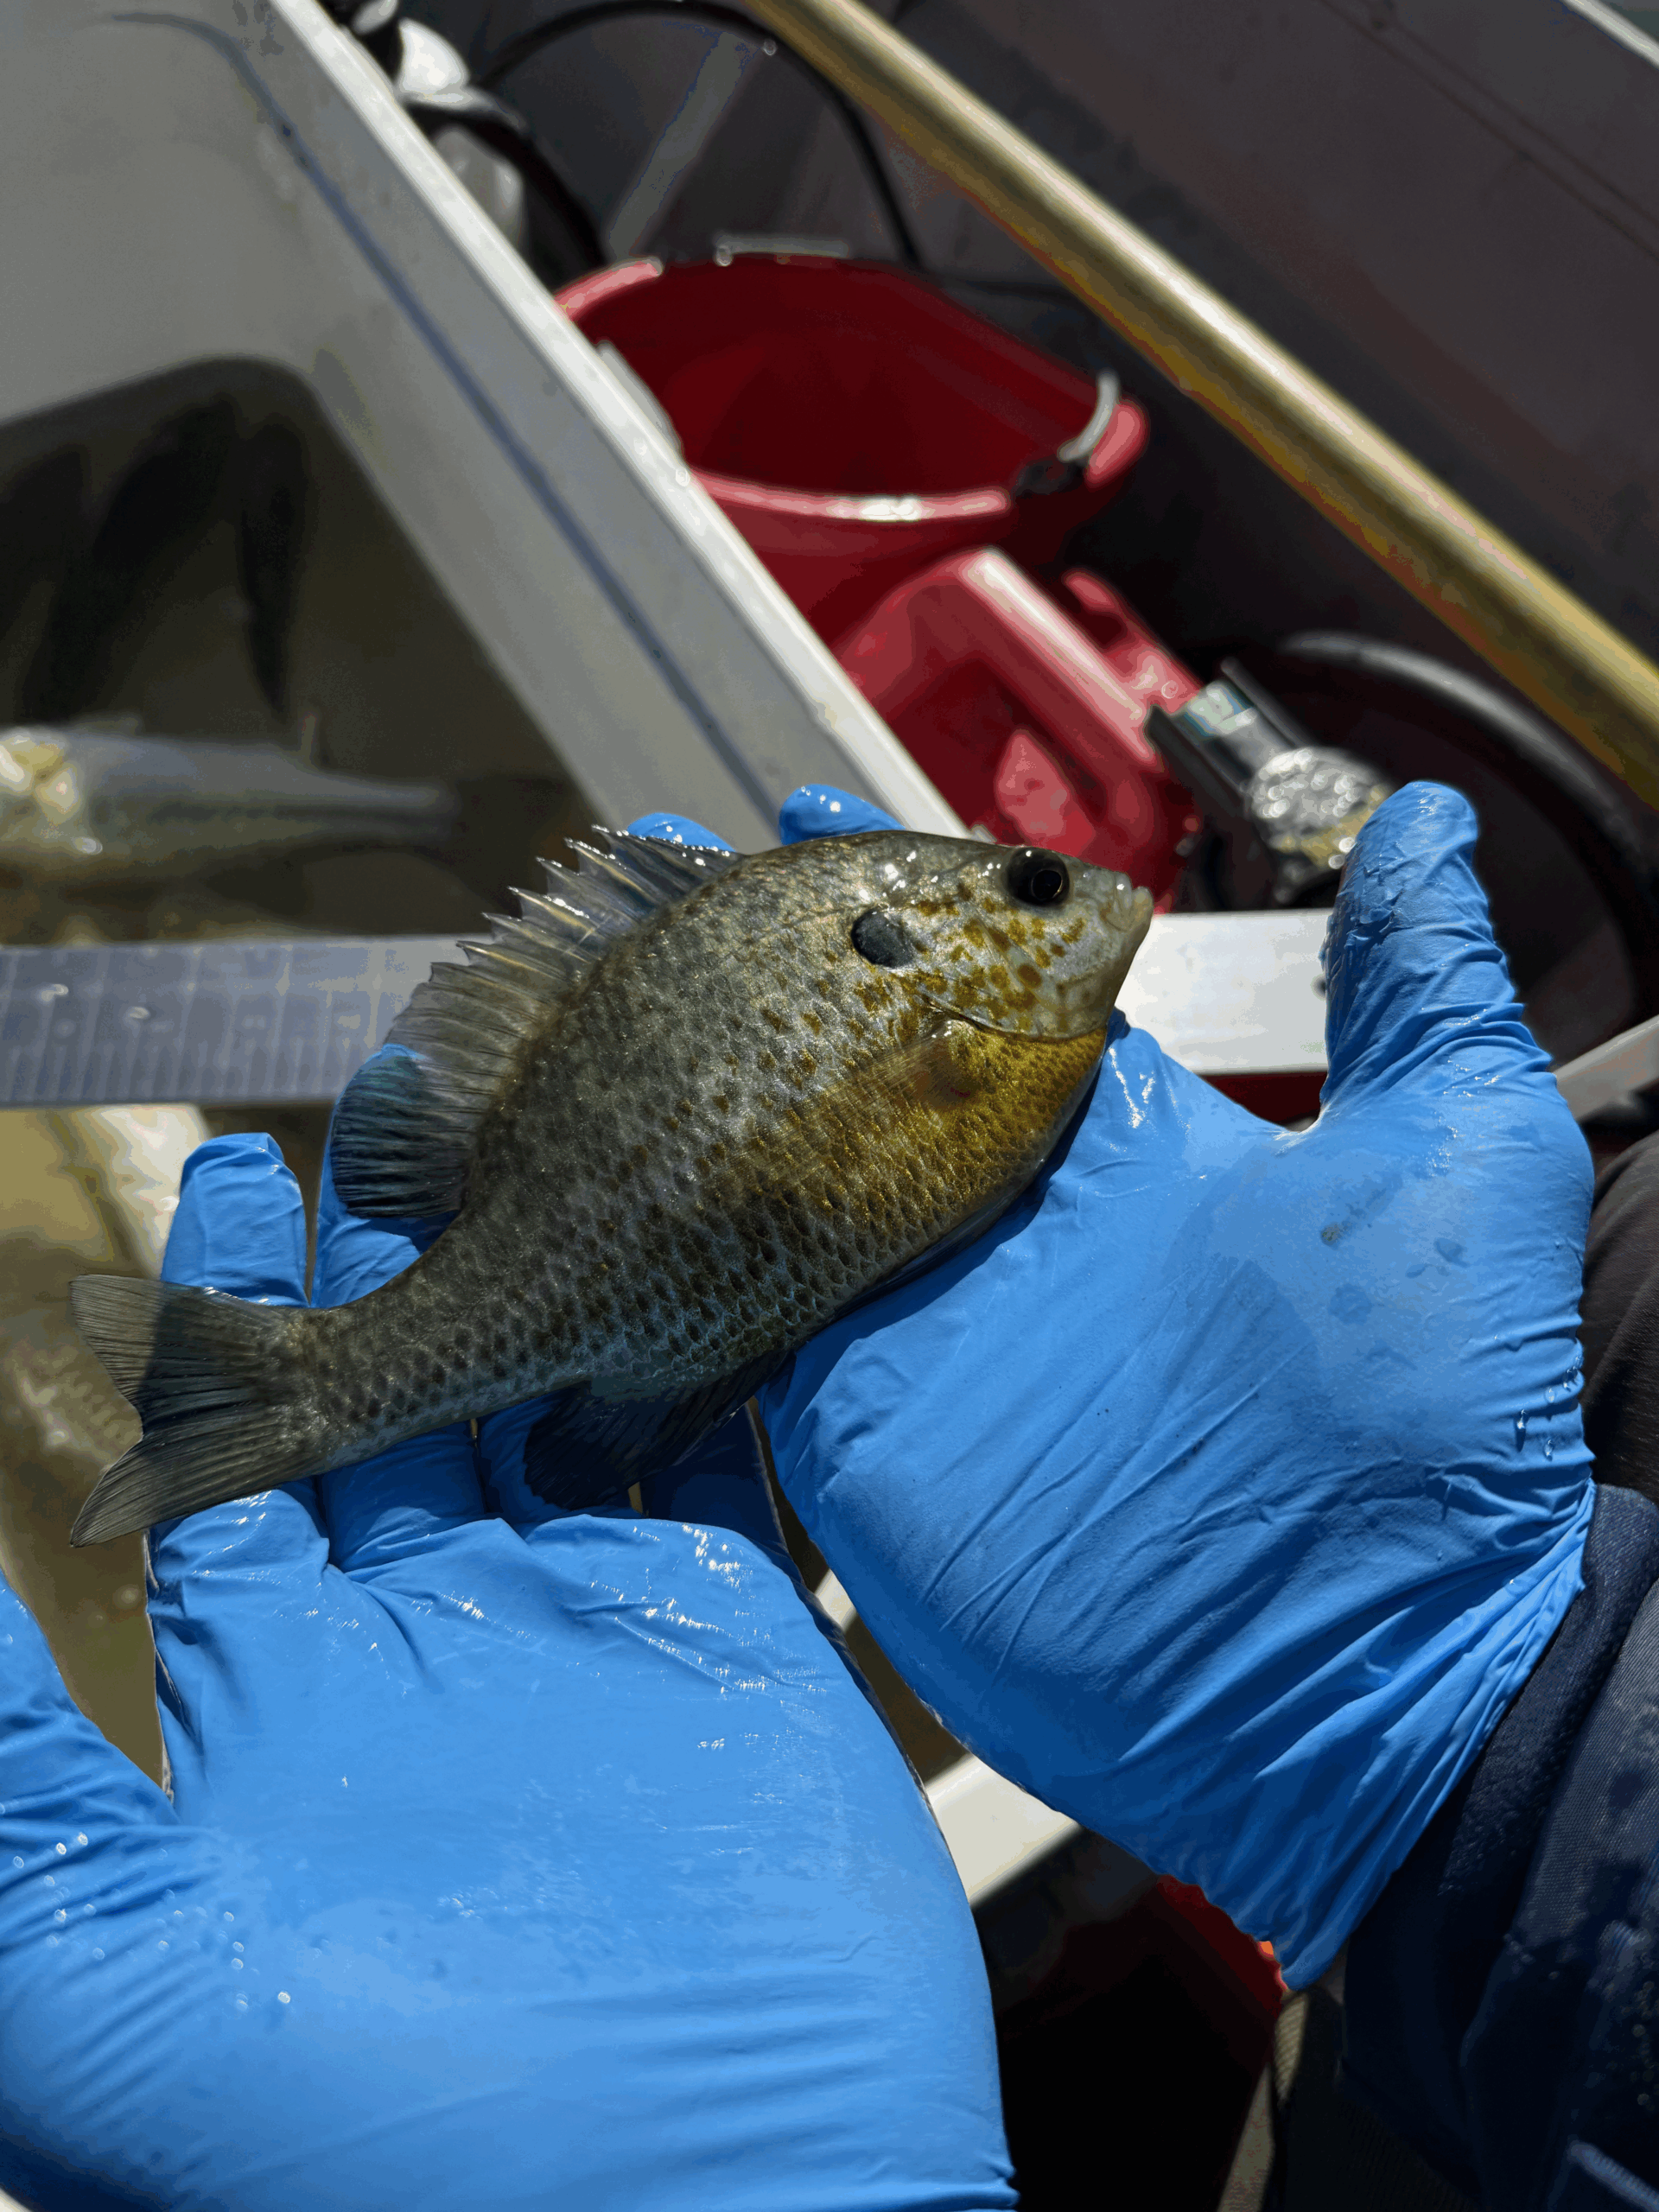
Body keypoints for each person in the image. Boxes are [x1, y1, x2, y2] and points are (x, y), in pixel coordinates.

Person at [2, 780, 1654, 2209]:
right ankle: (294, 1387)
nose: (1078, 903)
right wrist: (1516, 1745)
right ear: (924, 953)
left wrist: (1490, 1753)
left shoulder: (978, 1023)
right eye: (1027, 888)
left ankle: (290, 1391)